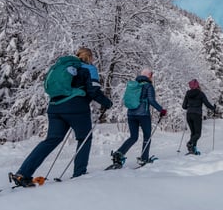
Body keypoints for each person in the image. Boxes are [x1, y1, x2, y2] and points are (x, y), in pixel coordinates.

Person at [10, 48, 113, 187]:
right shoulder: (89, 68)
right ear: (90, 57)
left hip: (54, 108)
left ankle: (23, 173)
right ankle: (79, 173)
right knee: (84, 138)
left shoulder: (63, 67)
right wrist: (107, 103)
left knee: (51, 140)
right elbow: (93, 90)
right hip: (77, 109)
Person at [111, 68, 166, 167]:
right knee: (147, 136)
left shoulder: (133, 85)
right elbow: (151, 100)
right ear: (149, 76)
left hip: (131, 114)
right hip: (143, 114)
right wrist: (161, 110)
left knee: (133, 137)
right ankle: (144, 158)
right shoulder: (148, 86)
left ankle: (119, 153)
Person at [182, 79, 215, 155]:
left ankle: (193, 150)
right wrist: (213, 108)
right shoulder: (200, 94)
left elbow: (184, 106)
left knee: (193, 133)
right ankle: (190, 143)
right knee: (198, 134)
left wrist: (190, 106)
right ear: (197, 85)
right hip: (196, 115)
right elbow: (207, 104)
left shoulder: (187, 93)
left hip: (189, 114)